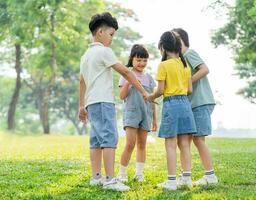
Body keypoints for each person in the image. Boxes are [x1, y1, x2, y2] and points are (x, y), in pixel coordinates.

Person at [78, 12, 149, 192]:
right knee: (109, 138)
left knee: (95, 140)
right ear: (100, 32)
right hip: (103, 101)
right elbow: (125, 72)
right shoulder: (104, 51)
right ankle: (110, 180)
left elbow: (82, 81)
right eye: (111, 34)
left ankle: (96, 177)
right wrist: (142, 91)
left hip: (91, 103)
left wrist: (81, 105)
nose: (111, 39)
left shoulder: (85, 55)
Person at [148, 31, 196, 190]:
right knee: (184, 145)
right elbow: (189, 89)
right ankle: (187, 179)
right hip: (185, 105)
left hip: (171, 105)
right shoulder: (185, 65)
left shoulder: (163, 65)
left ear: (162, 47)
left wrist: (150, 96)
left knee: (170, 144)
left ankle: (171, 181)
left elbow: (160, 90)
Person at [172, 28, 218, 185]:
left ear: (182, 39)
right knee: (184, 141)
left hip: (200, 102)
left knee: (199, 140)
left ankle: (210, 176)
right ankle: (185, 176)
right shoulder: (179, 60)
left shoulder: (189, 53)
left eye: (175, 38)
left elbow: (205, 69)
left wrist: (187, 82)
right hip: (190, 105)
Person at [116, 44, 157, 183]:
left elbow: (152, 100)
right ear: (132, 59)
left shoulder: (149, 79)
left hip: (146, 114)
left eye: (145, 60)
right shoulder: (125, 74)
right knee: (130, 144)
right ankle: (122, 173)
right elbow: (121, 96)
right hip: (132, 113)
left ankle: (139, 174)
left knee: (142, 145)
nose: (142, 63)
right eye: (139, 60)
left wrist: (155, 120)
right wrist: (129, 81)